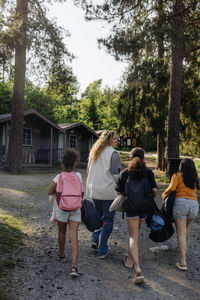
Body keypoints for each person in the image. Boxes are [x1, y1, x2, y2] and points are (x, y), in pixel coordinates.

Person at [116, 147, 157, 284]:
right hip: (144, 208)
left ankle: (137, 268)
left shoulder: (126, 173)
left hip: (131, 207)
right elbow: (154, 190)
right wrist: (150, 199)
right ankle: (129, 259)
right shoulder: (149, 172)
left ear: (130, 158)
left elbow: (119, 192)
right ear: (144, 158)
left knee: (133, 236)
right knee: (135, 234)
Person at [48, 148, 84, 277]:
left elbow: (49, 192)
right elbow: (81, 193)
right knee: (74, 236)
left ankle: (62, 255)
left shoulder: (59, 177)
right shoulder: (78, 176)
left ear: (62, 165)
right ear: (75, 164)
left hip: (62, 208)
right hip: (75, 208)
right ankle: (74, 267)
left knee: (61, 232)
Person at [86, 130, 121, 259]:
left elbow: (89, 170)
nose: (116, 140)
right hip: (108, 192)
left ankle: (95, 239)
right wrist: (121, 187)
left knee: (98, 217)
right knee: (108, 220)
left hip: (94, 190)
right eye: (114, 138)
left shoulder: (94, 152)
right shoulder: (112, 153)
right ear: (108, 140)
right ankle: (102, 249)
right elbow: (116, 175)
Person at [162, 158, 199, 271]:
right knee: (186, 228)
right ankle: (183, 249)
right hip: (194, 205)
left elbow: (172, 188)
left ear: (181, 166)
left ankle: (183, 262)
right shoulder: (194, 178)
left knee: (181, 233)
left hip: (181, 204)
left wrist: (164, 195)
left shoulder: (177, 176)